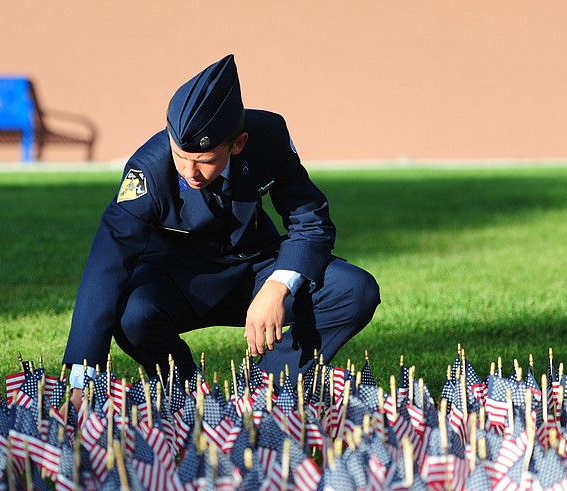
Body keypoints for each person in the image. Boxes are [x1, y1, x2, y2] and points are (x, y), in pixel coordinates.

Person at [63, 54, 380, 407]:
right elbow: (108, 265)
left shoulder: (269, 138)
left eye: (205, 160)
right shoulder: (147, 170)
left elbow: (311, 221)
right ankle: (188, 398)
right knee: (130, 313)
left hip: (255, 268)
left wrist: (277, 286)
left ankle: (267, 389)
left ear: (238, 143)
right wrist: (83, 374)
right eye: (181, 156)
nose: (189, 171)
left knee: (355, 289)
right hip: (178, 281)